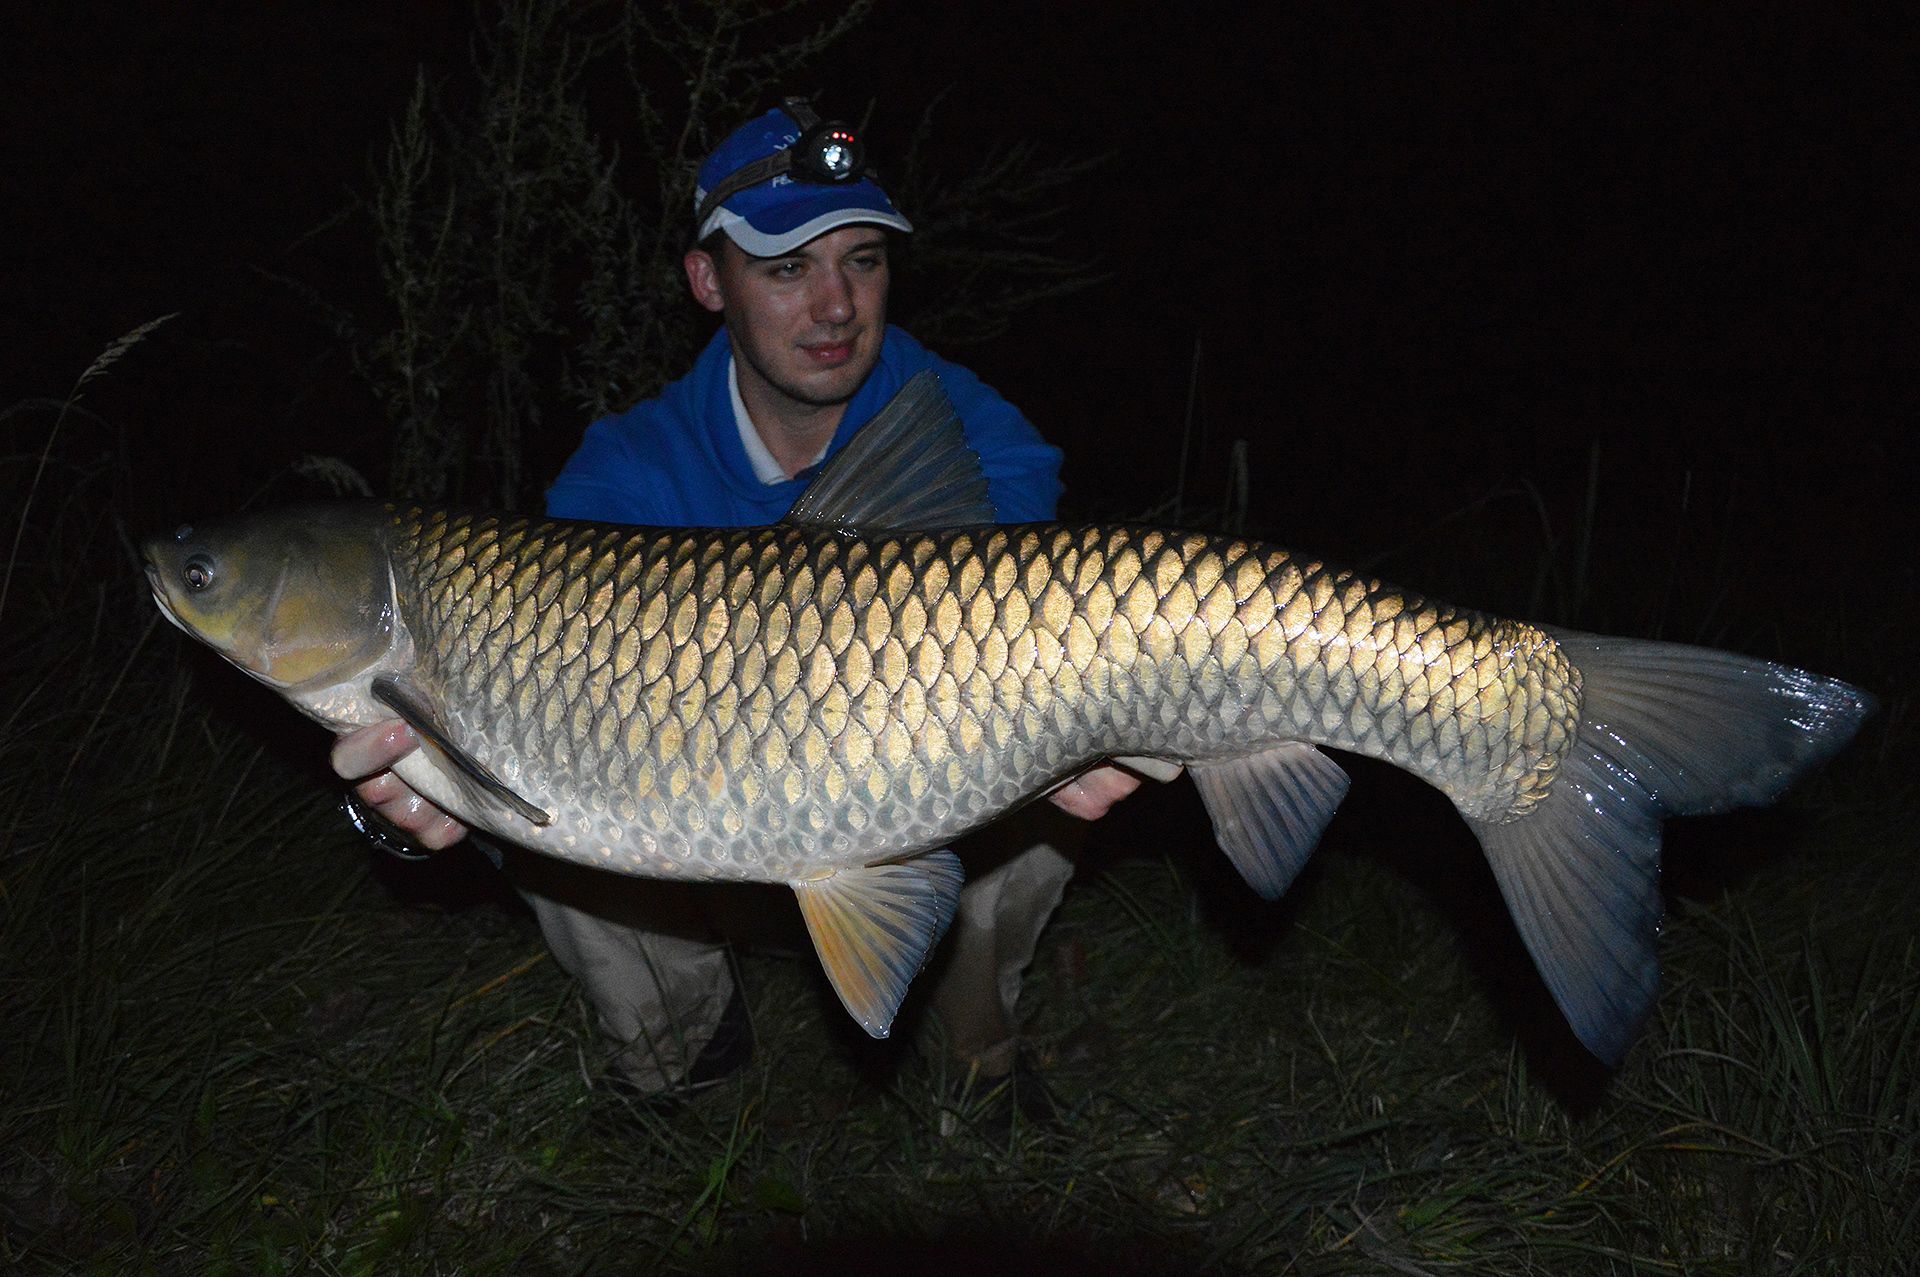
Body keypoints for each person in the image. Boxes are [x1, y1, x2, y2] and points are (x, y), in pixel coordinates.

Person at [332, 100, 1157, 1102]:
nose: (836, 305)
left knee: (1032, 810)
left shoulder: (977, 435)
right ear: (706, 281)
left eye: (862, 260)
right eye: (785, 268)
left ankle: (969, 1064)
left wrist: (1091, 721)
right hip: (690, 840)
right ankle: (685, 1058)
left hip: (916, 799)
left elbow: (1022, 652)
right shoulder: (626, 477)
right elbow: (513, 734)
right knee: (556, 817)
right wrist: (401, 806)